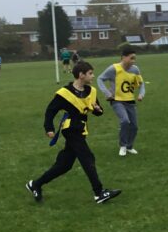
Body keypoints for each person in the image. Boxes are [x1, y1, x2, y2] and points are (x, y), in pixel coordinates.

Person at [26, 60, 120, 204]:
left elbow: (98, 111)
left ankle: (35, 184)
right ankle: (99, 192)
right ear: (81, 75)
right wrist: (49, 128)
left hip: (81, 128)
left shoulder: (91, 91)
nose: (93, 76)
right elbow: (50, 111)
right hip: (70, 129)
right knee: (87, 158)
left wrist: (98, 110)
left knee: (64, 165)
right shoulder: (64, 93)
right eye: (90, 73)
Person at [98, 47, 145, 156]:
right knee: (124, 121)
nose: (133, 61)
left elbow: (141, 83)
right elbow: (100, 79)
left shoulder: (135, 69)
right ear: (123, 57)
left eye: (135, 58)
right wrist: (107, 93)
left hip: (130, 101)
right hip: (117, 100)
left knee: (134, 126)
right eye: (131, 58)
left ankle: (129, 146)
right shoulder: (113, 69)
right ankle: (123, 146)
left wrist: (141, 94)